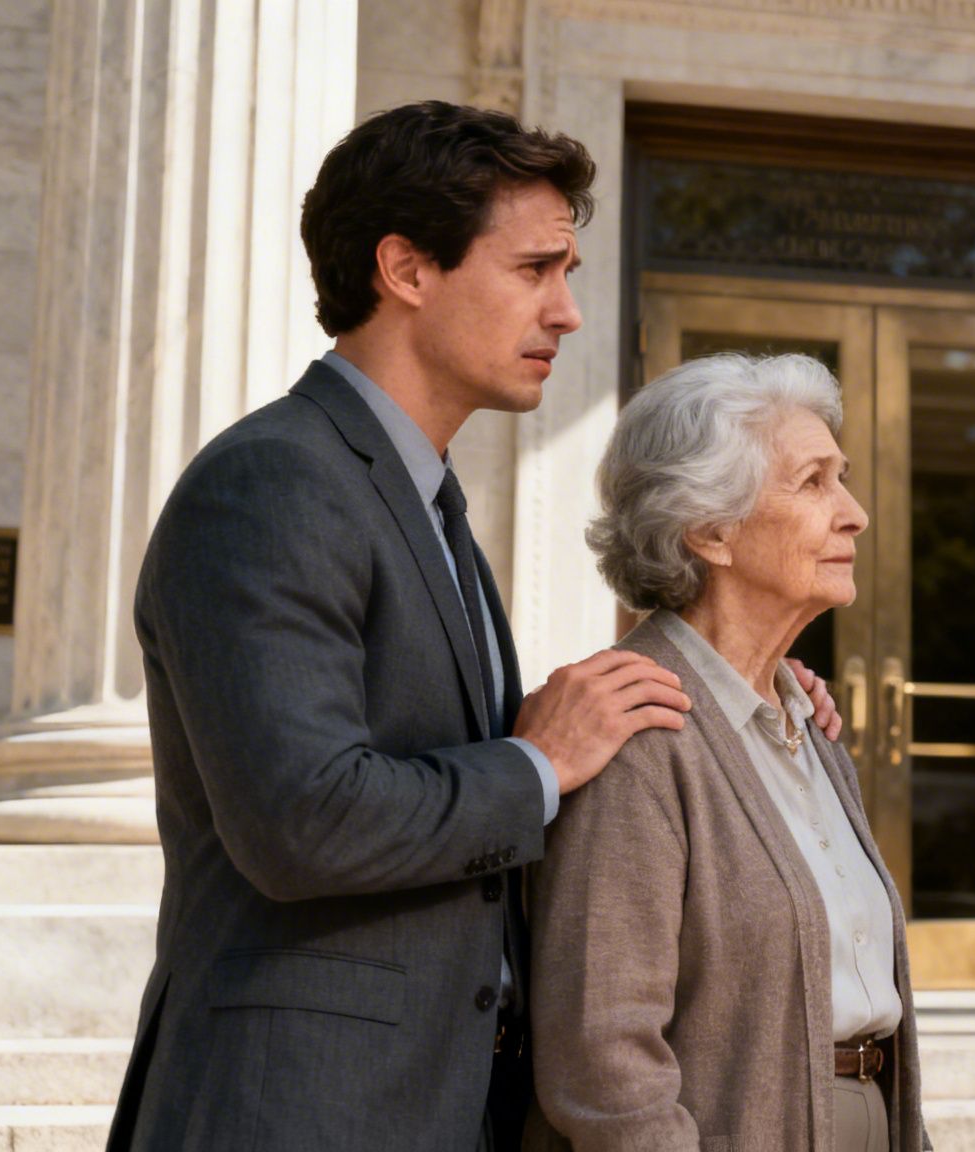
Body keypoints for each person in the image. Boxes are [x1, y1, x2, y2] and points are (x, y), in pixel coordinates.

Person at [105, 102, 841, 1152]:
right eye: (535, 269)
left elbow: (471, 785)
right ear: (405, 269)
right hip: (298, 1110)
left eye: (569, 272)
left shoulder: (429, 510)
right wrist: (535, 764)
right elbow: (301, 821)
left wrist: (747, 702)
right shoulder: (273, 483)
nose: (568, 312)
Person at [527, 352, 928, 1152]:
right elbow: (604, 1060)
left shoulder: (805, 721)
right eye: (813, 482)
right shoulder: (636, 733)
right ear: (711, 529)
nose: (854, 513)